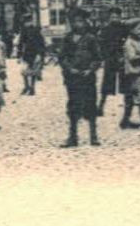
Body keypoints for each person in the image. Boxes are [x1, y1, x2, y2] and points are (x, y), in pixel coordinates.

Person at [55, 8, 103, 146]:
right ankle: (73, 136)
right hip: (73, 78)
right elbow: (62, 57)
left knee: (90, 104)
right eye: (75, 21)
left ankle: (93, 136)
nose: (78, 24)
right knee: (73, 106)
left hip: (87, 77)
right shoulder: (68, 39)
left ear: (85, 22)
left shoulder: (91, 39)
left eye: (81, 21)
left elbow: (98, 58)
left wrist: (90, 69)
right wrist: (70, 69)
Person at [97, 17, 127, 114]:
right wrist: (105, 56)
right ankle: (101, 106)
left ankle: (127, 107)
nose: (114, 18)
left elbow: (127, 43)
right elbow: (101, 44)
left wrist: (124, 56)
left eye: (116, 16)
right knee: (107, 82)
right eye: (112, 16)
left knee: (126, 83)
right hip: (110, 58)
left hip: (122, 58)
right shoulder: (105, 29)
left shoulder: (124, 29)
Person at [17, 18, 47, 96]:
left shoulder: (35, 31)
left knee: (32, 71)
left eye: (27, 22)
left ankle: (31, 88)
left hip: (33, 53)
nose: (27, 24)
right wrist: (19, 54)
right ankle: (27, 87)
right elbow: (20, 43)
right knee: (24, 71)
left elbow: (41, 43)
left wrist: (41, 55)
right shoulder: (24, 31)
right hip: (28, 53)